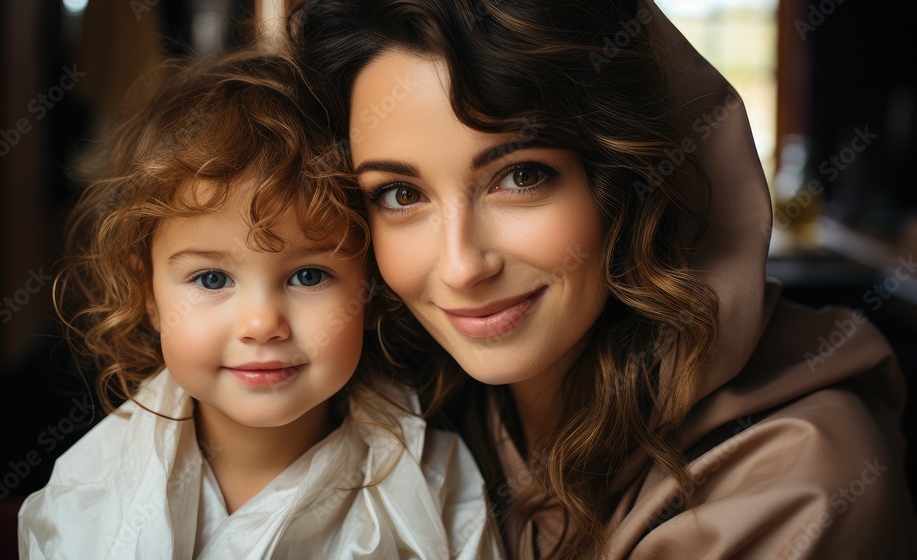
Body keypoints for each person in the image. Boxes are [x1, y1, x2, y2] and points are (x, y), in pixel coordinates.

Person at [285, 0, 917, 557]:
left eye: (522, 177)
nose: (460, 266)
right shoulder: (414, 408)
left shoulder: (799, 483)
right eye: (399, 193)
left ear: (633, 182)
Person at [17, 51, 499, 559]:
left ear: (371, 290)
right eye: (211, 278)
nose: (261, 324)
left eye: (308, 276)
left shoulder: (437, 488)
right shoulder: (85, 494)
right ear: (148, 296)